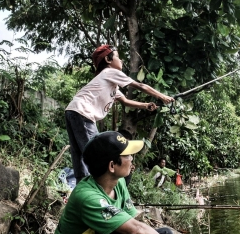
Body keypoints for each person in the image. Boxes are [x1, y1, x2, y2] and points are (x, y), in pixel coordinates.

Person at [65, 45, 174, 182]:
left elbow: (125, 101)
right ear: (108, 59)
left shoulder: (109, 81)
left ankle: (81, 184)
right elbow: (140, 86)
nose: (121, 60)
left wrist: (145, 105)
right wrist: (162, 96)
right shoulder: (109, 72)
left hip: (73, 110)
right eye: (118, 57)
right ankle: (96, 186)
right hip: (83, 112)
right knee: (95, 152)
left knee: (79, 153)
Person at [55, 131, 174, 234]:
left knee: (166, 233)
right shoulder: (87, 197)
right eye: (127, 155)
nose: (132, 159)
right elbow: (136, 230)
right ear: (112, 166)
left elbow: (132, 223)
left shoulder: (119, 182)